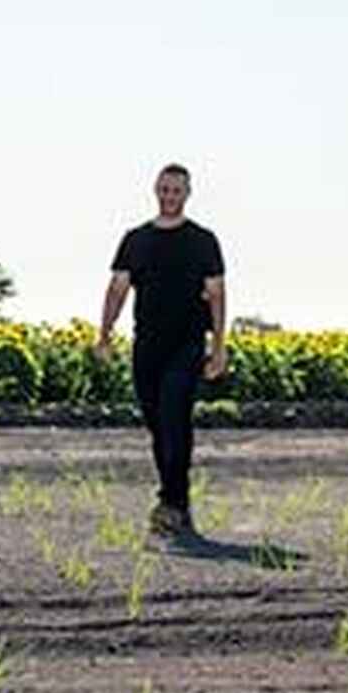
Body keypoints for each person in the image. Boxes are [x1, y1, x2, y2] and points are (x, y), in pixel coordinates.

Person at [96, 164, 228, 536]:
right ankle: (176, 501)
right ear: (156, 190)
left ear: (187, 194)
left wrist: (218, 347)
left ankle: (171, 502)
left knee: (175, 418)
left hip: (186, 345)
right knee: (158, 426)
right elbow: (118, 288)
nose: (170, 196)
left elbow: (216, 295)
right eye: (165, 189)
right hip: (147, 345)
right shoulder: (136, 239)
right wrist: (104, 334)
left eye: (177, 190)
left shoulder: (203, 240)